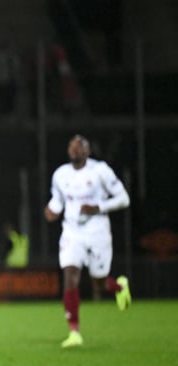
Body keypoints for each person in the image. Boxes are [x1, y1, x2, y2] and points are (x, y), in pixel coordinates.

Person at [44, 134, 132, 348]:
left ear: (88, 151)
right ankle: (74, 332)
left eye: (79, 146)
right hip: (72, 232)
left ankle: (119, 287)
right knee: (70, 275)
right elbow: (58, 200)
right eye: (71, 146)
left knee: (99, 283)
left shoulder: (100, 171)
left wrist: (98, 207)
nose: (75, 150)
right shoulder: (60, 174)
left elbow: (124, 199)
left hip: (97, 231)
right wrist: (52, 210)